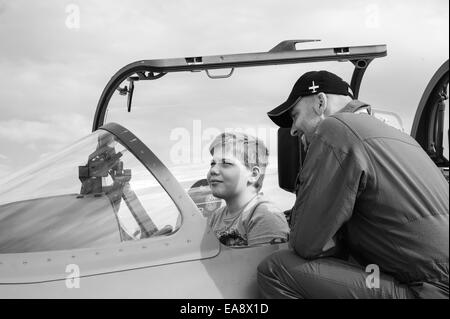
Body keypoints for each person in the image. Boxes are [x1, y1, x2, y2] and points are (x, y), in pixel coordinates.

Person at [257, 70, 449, 298]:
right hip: (428, 279)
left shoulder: (335, 129)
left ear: (320, 102)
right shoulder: (399, 137)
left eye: (295, 115)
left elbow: (305, 243)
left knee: (277, 269)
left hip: (426, 289)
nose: (294, 129)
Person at [206, 132, 289, 246]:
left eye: (226, 164)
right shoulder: (217, 216)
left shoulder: (264, 216)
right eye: (212, 163)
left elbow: (263, 263)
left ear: (253, 174)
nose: (213, 170)